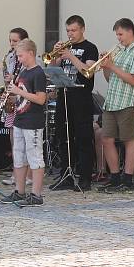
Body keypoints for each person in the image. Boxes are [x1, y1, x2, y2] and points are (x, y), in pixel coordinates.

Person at [98, 18, 134, 194]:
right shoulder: (119, 52)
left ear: (130, 32)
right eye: (117, 35)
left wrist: (112, 65)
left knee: (129, 140)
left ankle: (128, 180)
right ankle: (114, 177)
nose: (118, 38)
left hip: (128, 101)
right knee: (106, 139)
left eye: (120, 34)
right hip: (112, 101)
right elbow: (109, 78)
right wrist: (106, 66)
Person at [49, 15, 98, 192]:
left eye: (74, 30)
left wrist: (70, 56)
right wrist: (57, 59)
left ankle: (85, 177)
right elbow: (53, 69)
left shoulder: (90, 48)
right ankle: (66, 175)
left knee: (83, 138)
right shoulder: (65, 48)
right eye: (68, 30)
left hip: (82, 98)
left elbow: (88, 72)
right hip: (64, 95)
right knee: (64, 138)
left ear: (82, 29)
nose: (70, 34)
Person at [1, 39, 47, 207]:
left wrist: (18, 91)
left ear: (31, 53)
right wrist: (10, 96)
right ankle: (19, 192)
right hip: (20, 119)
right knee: (19, 156)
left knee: (35, 157)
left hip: (33, 121)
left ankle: (36, 195)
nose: (18, 59)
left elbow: (41, 99)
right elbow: (22, 96)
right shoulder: (23, 73)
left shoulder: (38, 73)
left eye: (20, 56)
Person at [0, 27, 30, 187]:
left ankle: (28, 174)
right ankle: (16, 173)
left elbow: (29, 81)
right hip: (13, 101)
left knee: (25, 140)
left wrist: (14, 78)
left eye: (15, 41)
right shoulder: (11, 57)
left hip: (24, 102)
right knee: (14, 139)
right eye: (10, 40)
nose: (11, 44)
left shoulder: (31, 58)